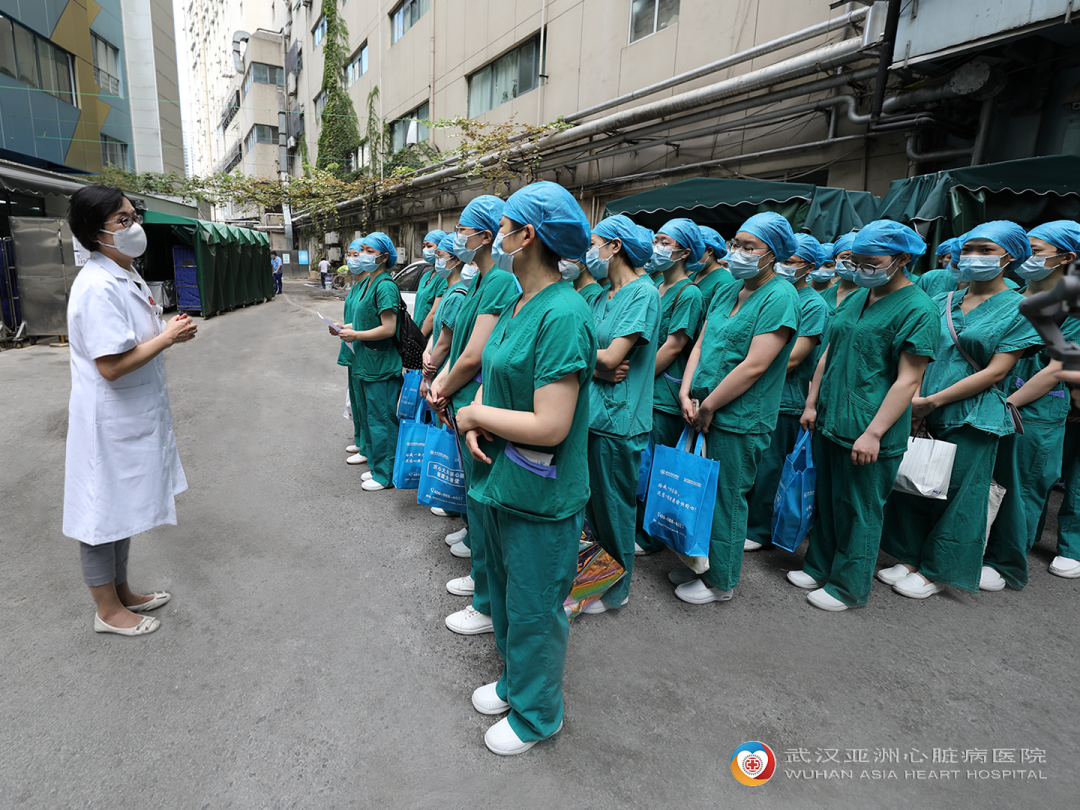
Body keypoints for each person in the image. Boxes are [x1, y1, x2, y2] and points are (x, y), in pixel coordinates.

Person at [455, 180, 596, 756]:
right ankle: (516, 683)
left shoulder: (563, 313)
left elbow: (552, 425)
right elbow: (503, 375)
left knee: (537, 607)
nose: (494, 234)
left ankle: (538, 715)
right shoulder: (518, 301)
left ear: (526, 235)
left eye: (505, 224)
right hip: (504, 479)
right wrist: (480, 418)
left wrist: (472, 412)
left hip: (543, 490)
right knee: (514, 598)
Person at [880, 221, 1041, 598]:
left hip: (972, 411)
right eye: (969, 249)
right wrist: (916, 397)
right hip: (920, 402)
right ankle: (909, 556)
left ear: (1010, 257)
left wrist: (932, 401)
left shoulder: (1021, 307)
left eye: (986, 250)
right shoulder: (941, 301)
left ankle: (939, 569)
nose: (973, 257)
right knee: (914, 481)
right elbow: (917, 353)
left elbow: (998, 370)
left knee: (959, 494)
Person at [63, 185, 197, 637]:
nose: (133, 226)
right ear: (94, 232)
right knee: (101, 513)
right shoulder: (97, 286)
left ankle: (122, 590)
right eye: (122, 220)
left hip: (131, 415)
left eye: (131, 215)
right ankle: (106, 610)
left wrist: (163, 331)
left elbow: (130, 339)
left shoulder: (124, 273)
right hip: (109, 419)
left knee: (120, 510)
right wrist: (166, 338)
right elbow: (111, 365)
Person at [790, 221, 939, 611]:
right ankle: (819, 564)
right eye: (855, 261)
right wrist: (812, 403)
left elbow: (908, 380)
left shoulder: (918, 309)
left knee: (860, 508)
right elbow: (828, 354)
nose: (860, 268)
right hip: (831, 418)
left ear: (903, 259)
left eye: (870, 262)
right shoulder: (858, 295)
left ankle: (847, 587)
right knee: (828, 497)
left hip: (870, 427)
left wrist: (873, 433)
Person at [671, 212, 801, 604]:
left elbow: (755, 365)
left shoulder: (781, 297)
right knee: (700, 494)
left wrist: (709, 405)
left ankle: (721, 582)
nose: (738, 253)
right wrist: (686, 392)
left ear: (773, 253)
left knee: (727, 498)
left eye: (749, 247)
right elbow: (701, 343)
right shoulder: (729, 288)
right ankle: (701, 563)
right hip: (701, 405)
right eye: (736, 243)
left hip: (739, 417)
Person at [429, 195, 518, 636]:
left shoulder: (501, 282)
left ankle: (487, 602)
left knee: (485, 504)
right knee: (476, 501)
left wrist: (443, 385)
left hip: (479, 404)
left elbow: (476, 354)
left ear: (486, 235)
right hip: (462, 401)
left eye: (463, 230)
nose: (456, 237)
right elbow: (456, 342)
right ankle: (482, 582)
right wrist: (440, 383)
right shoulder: (482, 280)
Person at [984, 221, 1080, 587]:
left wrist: (1006, 402)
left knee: (1023, 484)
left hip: (1037, 409)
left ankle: (1006, 562)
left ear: (1066, 258)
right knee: (993, 478)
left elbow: (1055, 369)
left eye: (1036, 251)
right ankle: (988, 546)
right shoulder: (1012, 293)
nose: (1028, 257)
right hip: (999, 397)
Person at [581, 214, 660, 613]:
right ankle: (593, 579)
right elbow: (589, 354)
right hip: (592, 413)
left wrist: (593, 361)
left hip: (619, 420)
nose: (588, 251)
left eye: (594, 243)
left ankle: (616, 589)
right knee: (592, 509)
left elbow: (613, 356)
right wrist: (596, 365)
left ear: (615, 247)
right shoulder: (599, 294)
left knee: (613, 510)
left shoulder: (643, 293)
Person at [744, 233, 830, 552]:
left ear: (809, 267)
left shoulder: (813, 305)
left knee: (770, 468)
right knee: (752, 467)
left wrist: (746, 366)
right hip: (754, 394)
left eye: (790, 262)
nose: (781, 267)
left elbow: (791, 359)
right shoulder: (766, 294)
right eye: (780, 259)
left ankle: (760, 529)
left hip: (785, 400)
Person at [635, 219, 706, 555]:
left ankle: (651, 537)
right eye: (656, 239)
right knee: (640, 463)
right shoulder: (655, 285)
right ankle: (638, 526)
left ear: (684, 252)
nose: (656, 247)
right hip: (646, 389)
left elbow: (674, 345)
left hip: (662, 392)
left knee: (656, 468)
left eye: (664, 241)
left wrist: (639, 378)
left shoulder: (688, 293)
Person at [333, 233, 402, 492]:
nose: (361, 255)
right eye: (360, 249)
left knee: (382, 420)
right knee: (372, 418)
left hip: (380, 364)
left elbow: (388, 328)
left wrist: (356, 335)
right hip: (367, 360)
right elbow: (365, 321)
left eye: (367, 250)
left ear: (383, 257)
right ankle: (376, 465)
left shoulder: (385, 285)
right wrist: (345, 327)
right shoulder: (369, 283)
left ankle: (387, 475)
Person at [336, 239, 369, 464]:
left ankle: (368, 447)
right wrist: (342, 327)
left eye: (358, 254)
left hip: (364, 349)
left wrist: (353, 332)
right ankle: (361, 441)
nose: (353, 259)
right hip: (352, 345)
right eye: (350, 254)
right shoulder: (357, 285)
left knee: (371, 406)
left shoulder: (374, 285)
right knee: (356, 400)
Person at [413, 229, 449, 338]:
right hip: (416, 332)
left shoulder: (443, 277)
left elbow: (432, 314)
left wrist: (419, 339)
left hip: (428, 337)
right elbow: (417, 307)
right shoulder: (425, 276)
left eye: (429, 246)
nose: (425, 250)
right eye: (424, 246)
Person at [689, 225, 735, 310]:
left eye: (695, 250)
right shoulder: (692, 276)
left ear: (710, 251)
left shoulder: (725, 281)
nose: (689, 254)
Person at [820, 233, 858, 313]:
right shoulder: (822, 296)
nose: (850, 262)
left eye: (855, 258)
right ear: (835, 260)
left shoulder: (870, 295)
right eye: (845, 257)